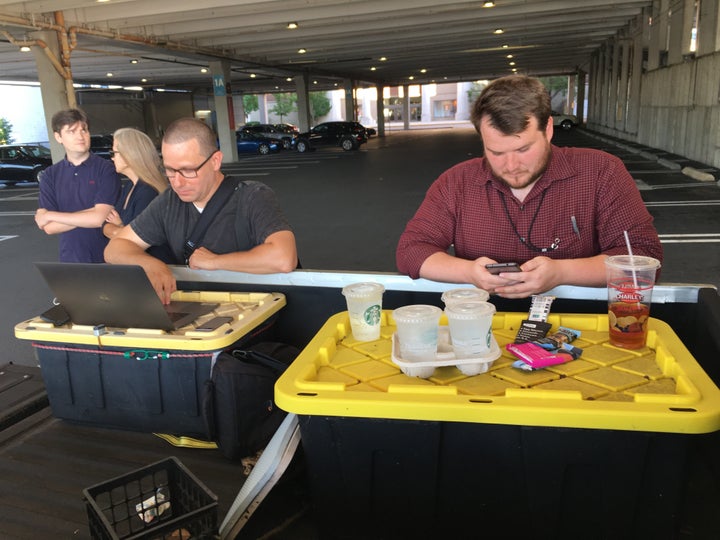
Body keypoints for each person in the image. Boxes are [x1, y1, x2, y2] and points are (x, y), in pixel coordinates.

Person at [396, 75, 663, 299]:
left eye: (523, 149)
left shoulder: (601, 171)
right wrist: (468, 272)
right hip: (485, 319)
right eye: (496, 152)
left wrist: (561, 273)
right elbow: (412, 251)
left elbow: (643, 258)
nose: (511, 165)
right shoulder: (456, 182)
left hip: (583, 320)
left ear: (548, 129)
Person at [104, 117, 298, 303]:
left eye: (188, 170)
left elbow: (283, 257)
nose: (177, 182)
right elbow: (115, 247)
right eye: (170, 170)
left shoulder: (252, 196)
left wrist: (215, 262)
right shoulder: (169, 202)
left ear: (215, 161)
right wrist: (150, 264)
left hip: (260, 312)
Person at [35, 108, 120, 262]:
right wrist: (93, 212)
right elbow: (49, 228)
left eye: (84, 130)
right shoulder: (50, 175)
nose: (80, 136)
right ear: (58, 137)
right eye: (71, 131)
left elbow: (98, 219)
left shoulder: (106, 169)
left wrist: (48, 215)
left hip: (109, 257)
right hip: (70, 259)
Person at [102, 127, 174, 262]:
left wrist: (119, 229)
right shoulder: (129, 186)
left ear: (129, 155)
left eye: (114, 152)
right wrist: (122, 230)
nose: (112, 158)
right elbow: (104, 225)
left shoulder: (148, 192)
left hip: (152, 270)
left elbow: (138, 241)